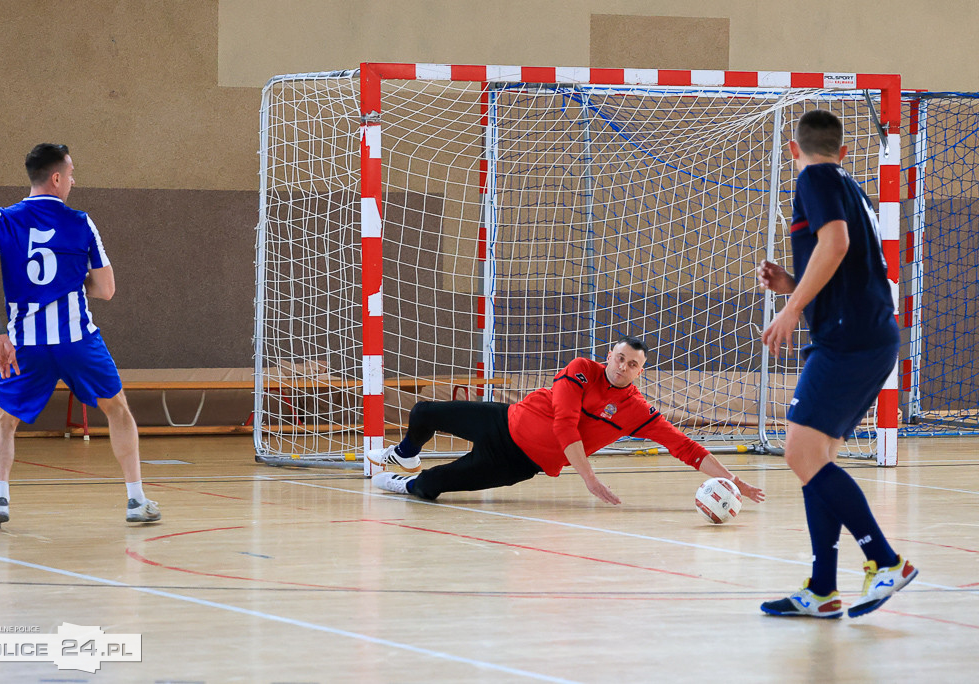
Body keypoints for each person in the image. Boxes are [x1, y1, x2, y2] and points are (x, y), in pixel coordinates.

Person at [757, 110, 917, 619]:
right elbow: (851, 261)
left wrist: (792, 307)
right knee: (815, 459)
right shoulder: (851, 185)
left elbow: (837, 244)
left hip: (848, 339)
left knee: (800, 454)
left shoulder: (814, 177)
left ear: (792, 148)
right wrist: (792, 283)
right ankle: (822, 589)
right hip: (866, 333)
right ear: (844, 151)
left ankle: (885, 560)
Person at [0, 143, 161, 529]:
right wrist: (70, 283)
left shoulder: (1, 221)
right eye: (71, 174)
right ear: (56, 178)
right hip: (78, 342)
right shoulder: (81, 222)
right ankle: (137, 499)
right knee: (117, 410)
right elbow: (106, 288)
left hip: (26, 345)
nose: (73, 181)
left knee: (4, 420)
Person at [371, 336, 765, 507]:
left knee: (430, 488)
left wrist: (735, 481)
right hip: (502, 421)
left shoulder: (637, 412)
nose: (623, 367)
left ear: (640, 372)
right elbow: (564, 424)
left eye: (633, 365)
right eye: (620, 358)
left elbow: (686, 447)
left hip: (518, 463)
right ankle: (405, 455)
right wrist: (590, 479)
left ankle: (410, 480)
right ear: (609, 355)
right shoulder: (581, 369)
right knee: (423, 413)